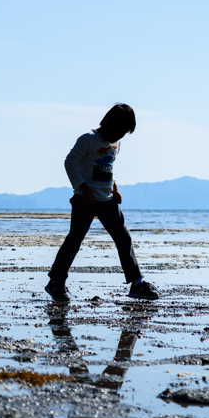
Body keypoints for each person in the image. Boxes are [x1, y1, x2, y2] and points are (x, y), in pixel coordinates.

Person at [45, 104, 159, 302]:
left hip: (107, 201)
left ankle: (137, 284)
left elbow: (107, 168)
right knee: (75, 240)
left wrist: (115, 189)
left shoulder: (116, 143)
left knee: (124, 238)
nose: (119, 136)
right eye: (118, 131)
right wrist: (85, 189)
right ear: (107, 122)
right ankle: (56, 282)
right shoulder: (88, 139)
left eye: (123, 134)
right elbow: (69, 162)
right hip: (85, 200)